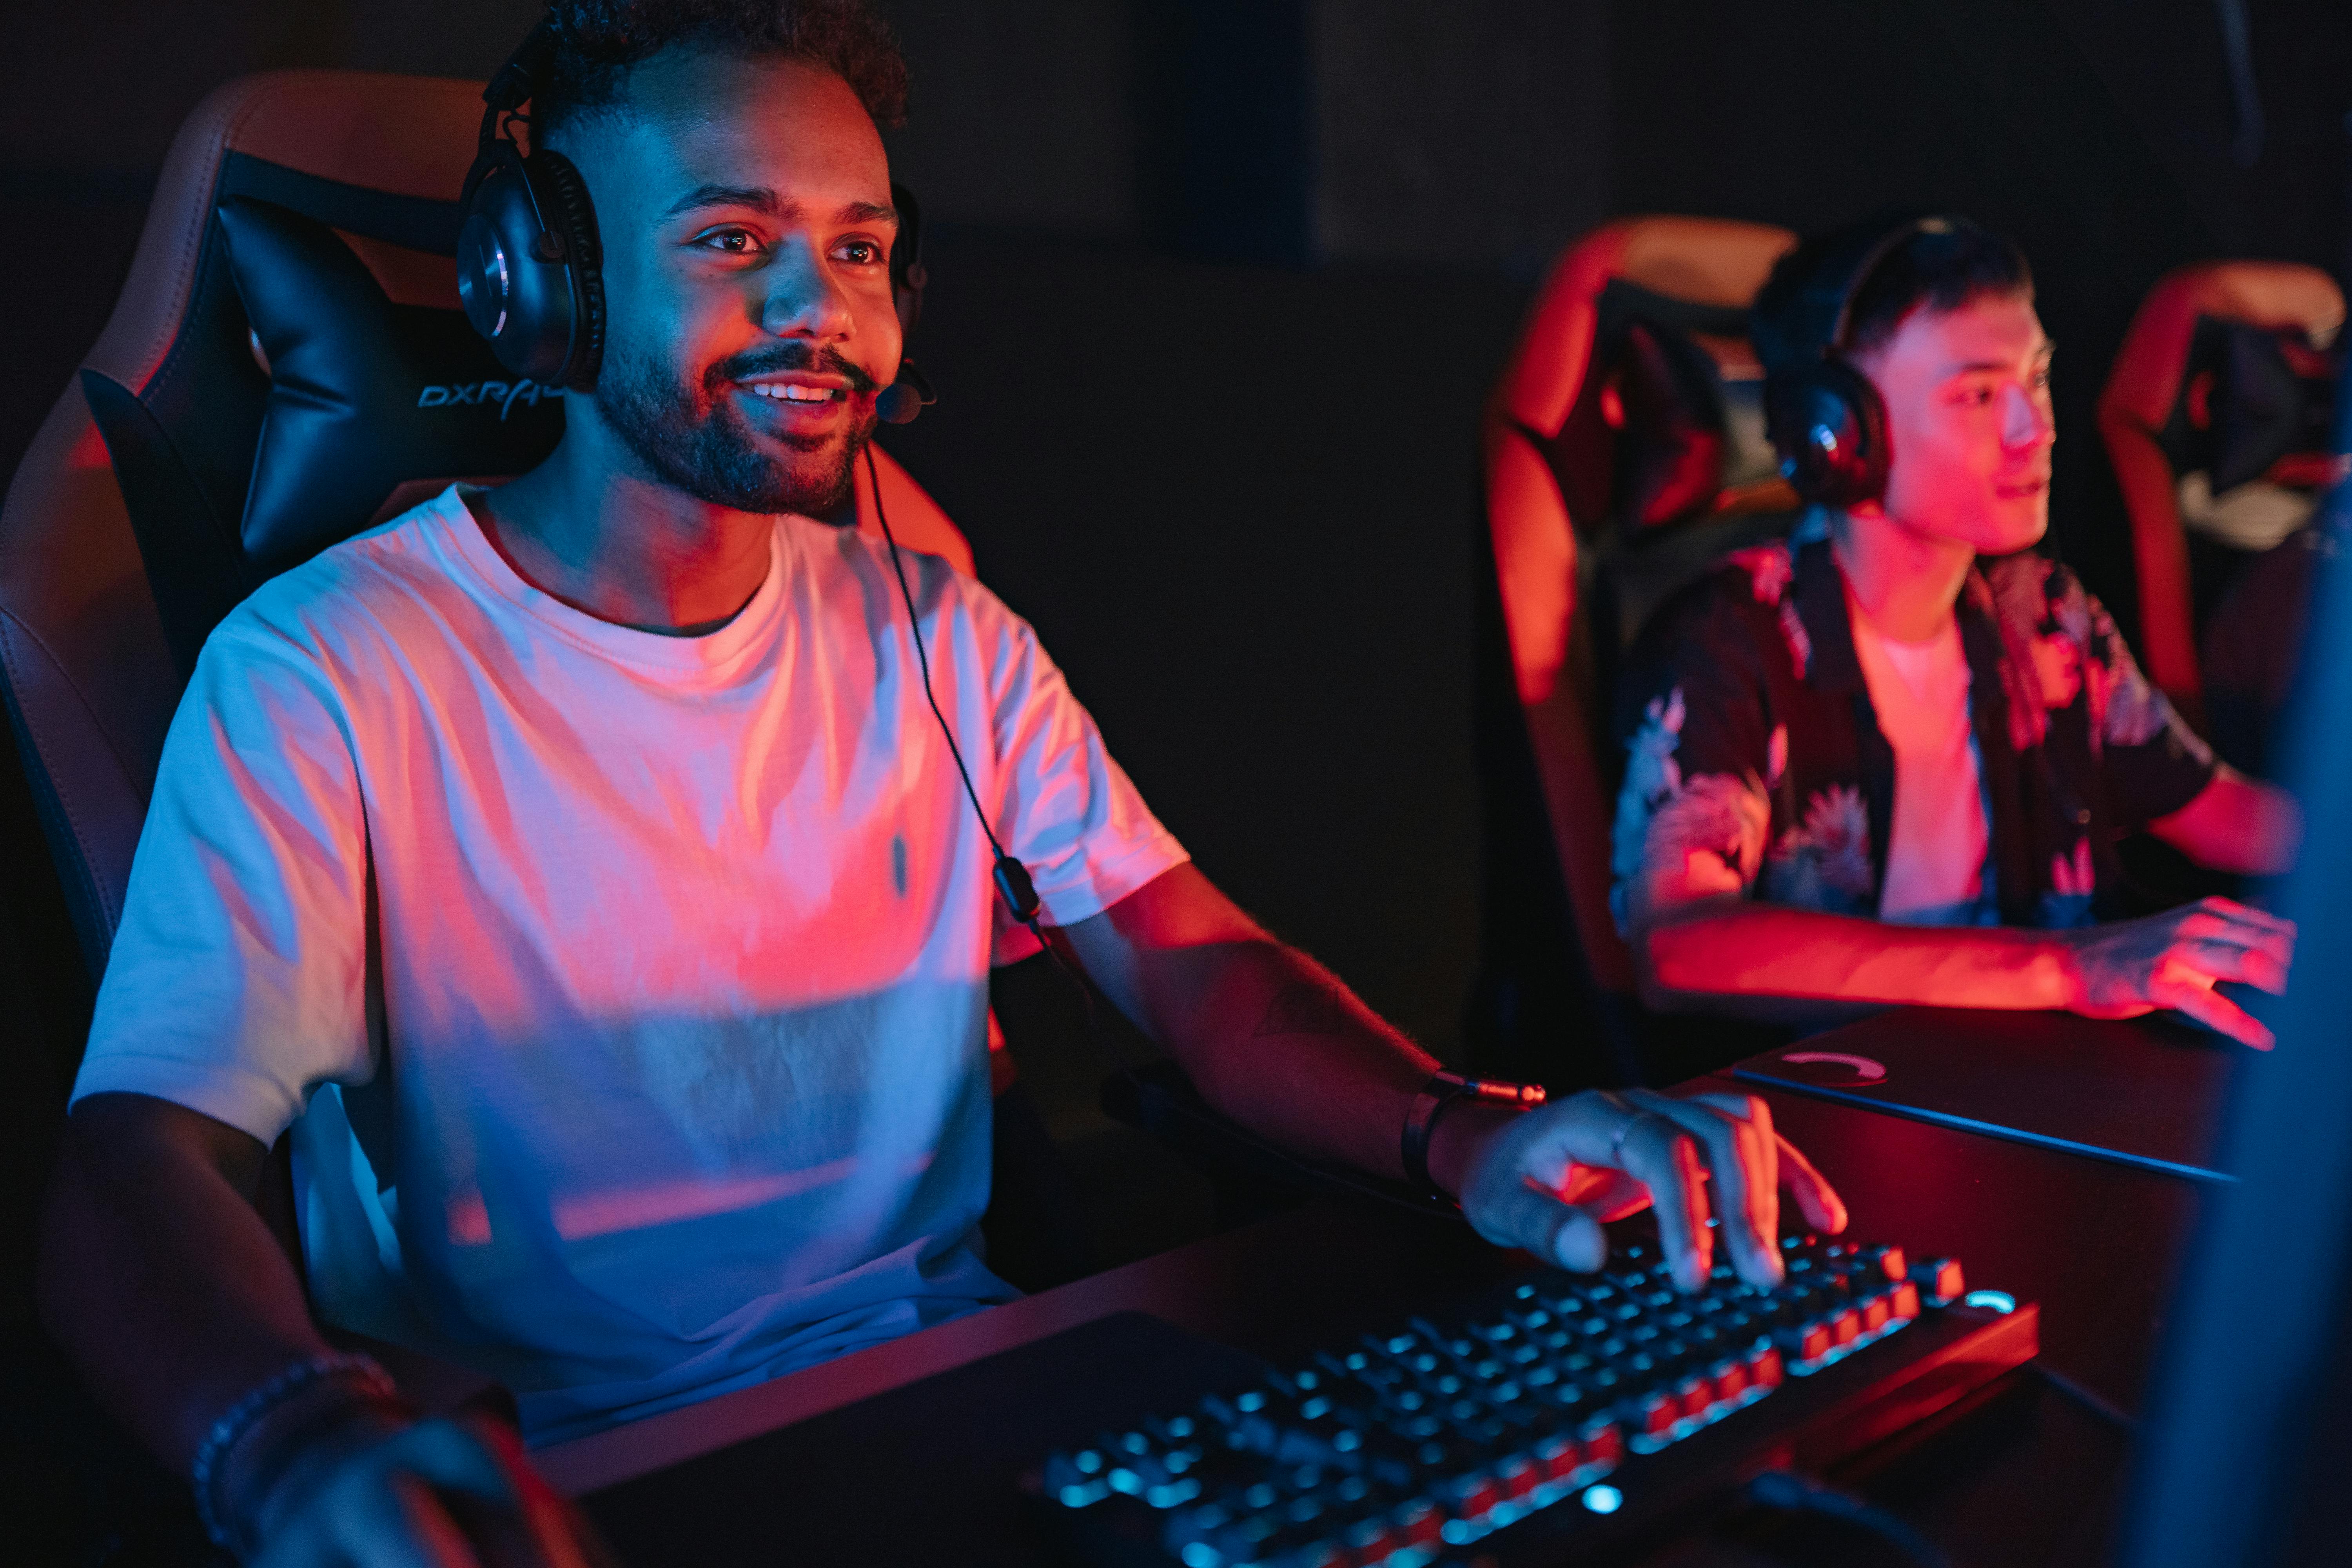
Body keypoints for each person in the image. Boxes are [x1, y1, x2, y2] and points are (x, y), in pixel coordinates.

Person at [37, 5, 1845, 1564]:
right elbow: (141, 1154)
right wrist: (293, 1441)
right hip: (587, 1483)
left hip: (978, 1404)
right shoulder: (330, 668)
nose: (817, 309)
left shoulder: (935, 629)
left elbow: (1198, 963)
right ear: (550, 284)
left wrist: (1468, 1127)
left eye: (857, 248)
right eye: (734, 241)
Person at [1612, 216, 2301, 1057]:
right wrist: (2064, 968)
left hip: (2043, 1102)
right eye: (1978, 394)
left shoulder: (2043, 614)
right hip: (1815, 1134)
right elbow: (1680, 948)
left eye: (2037, 380)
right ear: (1837, 437)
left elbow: (2226, 816)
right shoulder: (1733, 636)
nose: (2035, 429)